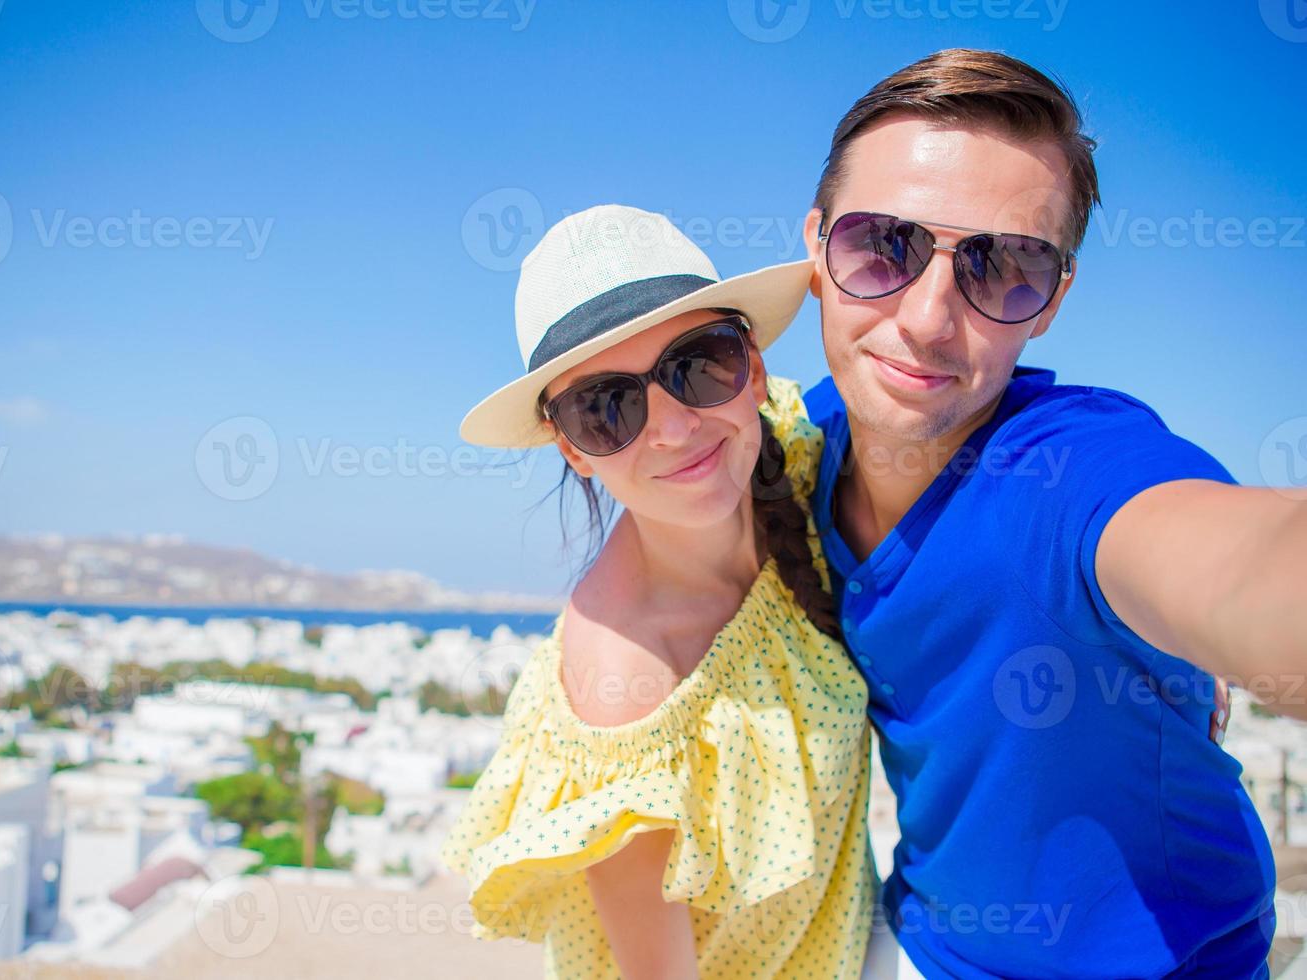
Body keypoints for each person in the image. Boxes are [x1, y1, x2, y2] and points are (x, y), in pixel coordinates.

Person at [799, 48, 1295, 977]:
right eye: (884, 245)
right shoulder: (797, 443)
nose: (928, 318)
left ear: (1053, 302)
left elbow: (1238, 562)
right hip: (922, 945)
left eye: (1003, 266)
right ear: (817, 249)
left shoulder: (1068, 469)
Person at [440, 204, 876, 978]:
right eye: (608, 407)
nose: (674, 429)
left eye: (700, 365)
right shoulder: (626, 696)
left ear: (755, 369)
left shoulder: (798, 459)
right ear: (570, 446)